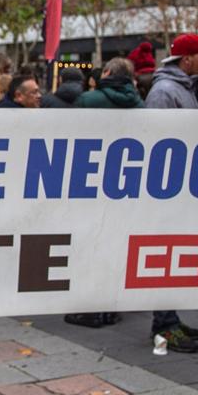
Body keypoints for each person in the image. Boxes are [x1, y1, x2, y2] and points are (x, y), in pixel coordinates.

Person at [63, 56, 142, 329]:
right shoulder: (140, 104)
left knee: (91, 242)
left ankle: (92, 306)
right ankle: (112, 303)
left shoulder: (89, 100)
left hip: (92, 180)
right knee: (117, 242)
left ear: (106, 72)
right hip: (127, 182)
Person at [143, 33, 198, 353]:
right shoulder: (165, 91)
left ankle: (170, 318)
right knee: (163, 254)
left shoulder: (181, 88)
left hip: (180, 185)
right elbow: (157, 141)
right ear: (186, 60)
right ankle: (164, 324)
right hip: (168, 188)